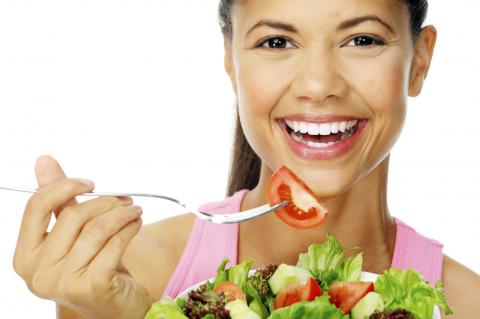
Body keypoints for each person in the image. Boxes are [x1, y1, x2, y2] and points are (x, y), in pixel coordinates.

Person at [12, 0, 480, 318]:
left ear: (420, 61)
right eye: (276, 42)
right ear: (231, 62)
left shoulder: (468, 303)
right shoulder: (123, 278)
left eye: (362, 40)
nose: (319, 84)